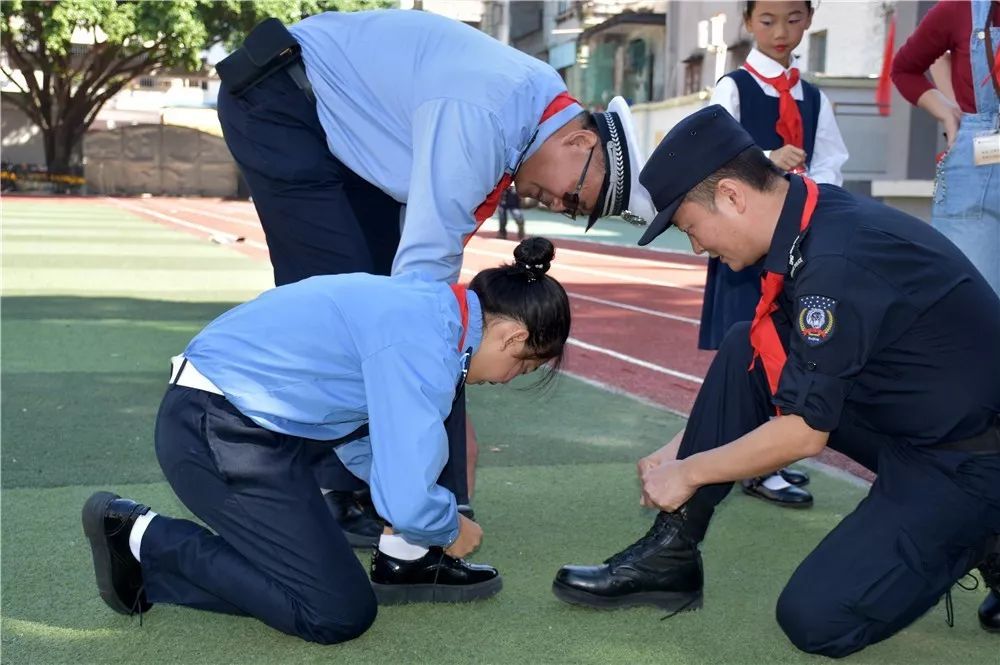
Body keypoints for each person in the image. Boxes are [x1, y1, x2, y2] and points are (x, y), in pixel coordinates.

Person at [551, 106, 1000, 656]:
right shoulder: (811, 219)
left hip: (971, 460)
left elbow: (803, 433)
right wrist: (680, 449)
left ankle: (986, 534)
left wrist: (689, 471)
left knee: (817, 620)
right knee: (747, 343)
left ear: (733, 197)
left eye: (691, 227)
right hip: (922, 427)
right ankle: (672, 554)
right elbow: (772, 361)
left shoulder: (836, 259)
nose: (696, 247)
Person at [215, 10, 656, 546]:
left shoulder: (534, 105)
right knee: (353, 297)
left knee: (385, 303)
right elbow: (423, 291)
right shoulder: (487, 114)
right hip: (282, 100)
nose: (558, 208)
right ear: (581, 144)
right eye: (573, 198)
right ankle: (344, 494)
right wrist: (435, 406)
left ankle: (387, 487)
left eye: (572, 212)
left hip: (334, 122)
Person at [82, 238, 572, 644]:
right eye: (524, 365)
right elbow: (404, 497)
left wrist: (411, 501)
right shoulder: (425, 343)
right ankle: (143, 537)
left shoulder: (426, 310)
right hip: (219, 432)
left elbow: (358, 433)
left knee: (321, 583)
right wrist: (445, 528)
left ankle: (153, 557)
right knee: (336, 613)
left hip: (243, 427)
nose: (509, 379)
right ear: (510, 335)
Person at [704, 0, 850, 507]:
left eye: (793, 18)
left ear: (810, 17)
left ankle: (767, 459)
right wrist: (766, 159)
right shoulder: (733, 87)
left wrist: (812, 185)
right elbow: (714, 150)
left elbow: (833, 160)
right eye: (767, 21)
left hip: (798, 246)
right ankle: (750, 462)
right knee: (750, 352)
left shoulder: (813, 96)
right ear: (747, 22)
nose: (781, 31)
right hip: (749, 247)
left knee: (789, 348)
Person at [892, 0, 1000, 297]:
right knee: (976, 303)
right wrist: (945, 109)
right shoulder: (958, 10)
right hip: (977, 168)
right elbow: (904, 69)